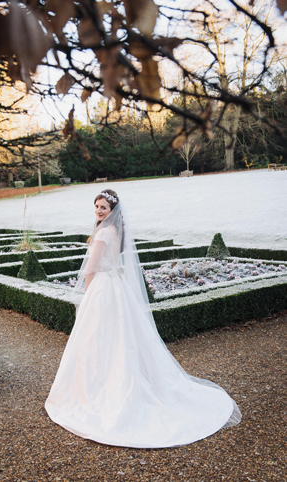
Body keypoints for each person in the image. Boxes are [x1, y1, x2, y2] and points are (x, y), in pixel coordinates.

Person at [45, 189, 241, 448]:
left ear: (113, 210)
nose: (99, 211)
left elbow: (91, 268)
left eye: (104, 207)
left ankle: (98, 388)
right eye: (97, 206)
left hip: (103, 289)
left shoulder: (103, 233)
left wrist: (87, 295)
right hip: (115, 286)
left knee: (99, 336)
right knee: (119, 335)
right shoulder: (116, 232)